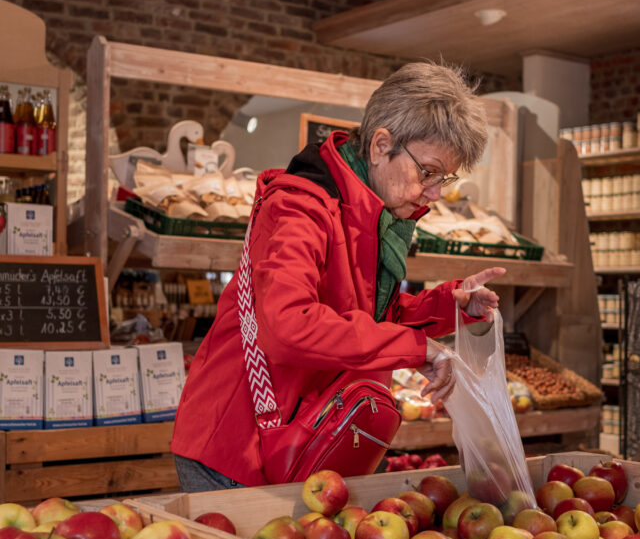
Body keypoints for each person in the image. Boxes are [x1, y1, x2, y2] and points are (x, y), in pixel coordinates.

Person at [171, 61, 504, 492]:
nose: (436, 192)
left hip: (298, 436)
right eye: (429, 172)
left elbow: (355, 314)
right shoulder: (300, 207)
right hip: (238, 445)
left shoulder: (364, 210)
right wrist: (415, 348)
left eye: (445, 178)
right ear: (382, 144)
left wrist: (447, 305)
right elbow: (290, 326)